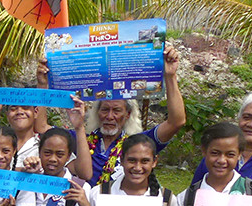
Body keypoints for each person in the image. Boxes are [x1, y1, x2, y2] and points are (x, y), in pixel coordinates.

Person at [37, 46, 185, 186]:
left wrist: (170, 76)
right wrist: (42, 85)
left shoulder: (139, 144)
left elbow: (176, 122)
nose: (110, 116)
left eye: (117, 110)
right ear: (97, 112)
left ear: (127, 114)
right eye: (105, 109)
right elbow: (41, 127)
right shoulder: (81, 138)